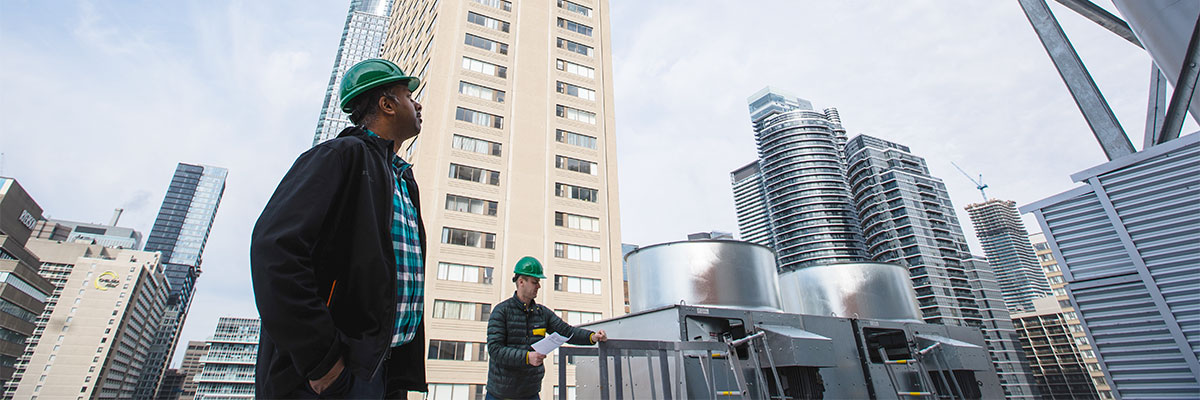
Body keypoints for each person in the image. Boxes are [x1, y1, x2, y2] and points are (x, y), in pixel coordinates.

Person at [250, 58, 427, 399]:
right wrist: (323, 363)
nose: (417, 103)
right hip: (334, 376)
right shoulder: (339, 156)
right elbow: (274, 251)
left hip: (382, 370)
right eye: (408, 95)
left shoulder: (403, 179)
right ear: (386, 104)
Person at [486, 256, 609, 400]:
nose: (539, 286)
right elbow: (495, 349)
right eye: (535, 282)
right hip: (501, 394)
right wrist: (527, 357)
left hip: (530, 393)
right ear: (521, 282)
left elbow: (567, 332)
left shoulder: (542, 313)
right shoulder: (501, 312)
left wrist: (592, 337)